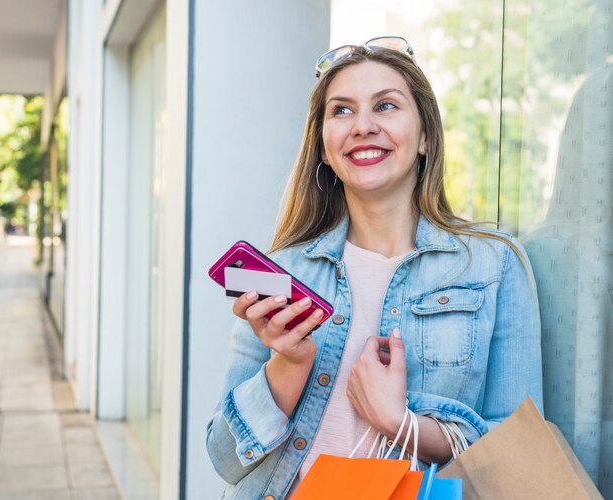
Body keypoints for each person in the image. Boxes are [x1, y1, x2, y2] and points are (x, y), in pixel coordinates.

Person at [206, 36, 543, 499]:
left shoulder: (494, 265)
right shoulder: (283, 273)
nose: (362, 126)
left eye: (386, 106)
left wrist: (399, 423)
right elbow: (225, 458)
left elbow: (519, 458)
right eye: (341, 110)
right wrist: (289, 362)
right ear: (324, 148)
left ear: (425, 136)